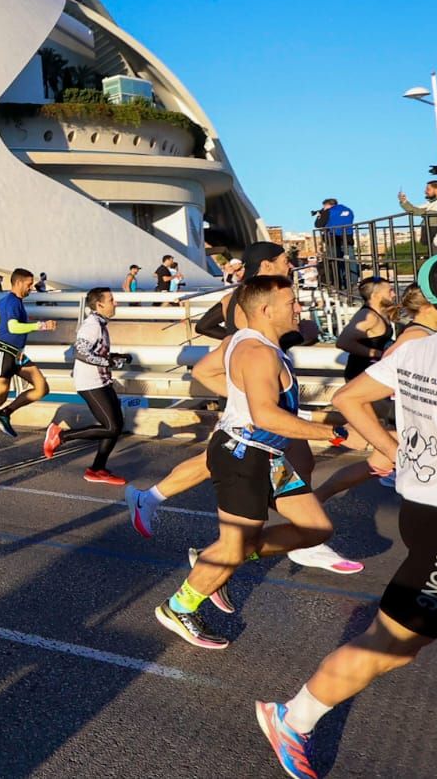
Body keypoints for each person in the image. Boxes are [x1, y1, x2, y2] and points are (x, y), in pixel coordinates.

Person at [255, 250, 437, 779]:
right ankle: (292, 718)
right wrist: (399, 449)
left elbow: (351, 396)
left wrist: (396, 448)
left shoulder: (423, 350)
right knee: (392, 644)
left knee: (401, 644)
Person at [153, 275, 341, 649]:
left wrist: (240, 400)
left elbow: (208, 374)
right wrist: (331, 434)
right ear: (267, 309)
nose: (299, 308)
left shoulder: (246, 341)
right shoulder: (258, 353)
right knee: (236, 543)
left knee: (315, 528)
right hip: (244, 456)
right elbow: (267, 416)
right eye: (292, 303)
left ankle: (222, 556)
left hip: (269, 456)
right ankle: (180, 606)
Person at [43, 287, 131, 483]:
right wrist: (108, 362)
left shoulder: (100, 323)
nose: (115, 303)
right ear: (99, 305)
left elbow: (95, 352)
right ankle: (61, 436)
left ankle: (97, 469)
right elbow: (80, 352)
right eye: (111, 300)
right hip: (90, 383)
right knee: (111, 427)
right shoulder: (92, 325)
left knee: (116, 426)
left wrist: (115, 357)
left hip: (101, 380)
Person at [0, 268, 56, 451]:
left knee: (41, 387)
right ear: (18, 283)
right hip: (3, 352)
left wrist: (3, 324)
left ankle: (5, 413)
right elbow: (13, 327)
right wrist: (40, 325)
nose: (31, 288)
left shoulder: (9, 300)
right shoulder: (13, 301)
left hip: (17, 354)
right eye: (29, 284)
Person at [336, 277, 396, 382]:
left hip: (374, 374)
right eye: (389, 291)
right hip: (360, 375)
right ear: (375, 296)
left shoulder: (380, 313)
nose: (394, 294)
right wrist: (378, 354)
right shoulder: (368, 316)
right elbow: (343, 342)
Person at [398, 179, 437, 254]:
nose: (425, 191)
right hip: (434, 243)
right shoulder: (432, 204)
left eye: (428, 189)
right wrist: (404, 201)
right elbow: (415, 210)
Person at [316, 197, 356, 289]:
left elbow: (318, 224)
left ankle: (339, 284)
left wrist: (319, 215)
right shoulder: (348, 210)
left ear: (327, 205)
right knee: (350, 260)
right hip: (348, 238)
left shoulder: (328, 211)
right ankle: (353, 282)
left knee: (335, 261)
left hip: (333, 240)